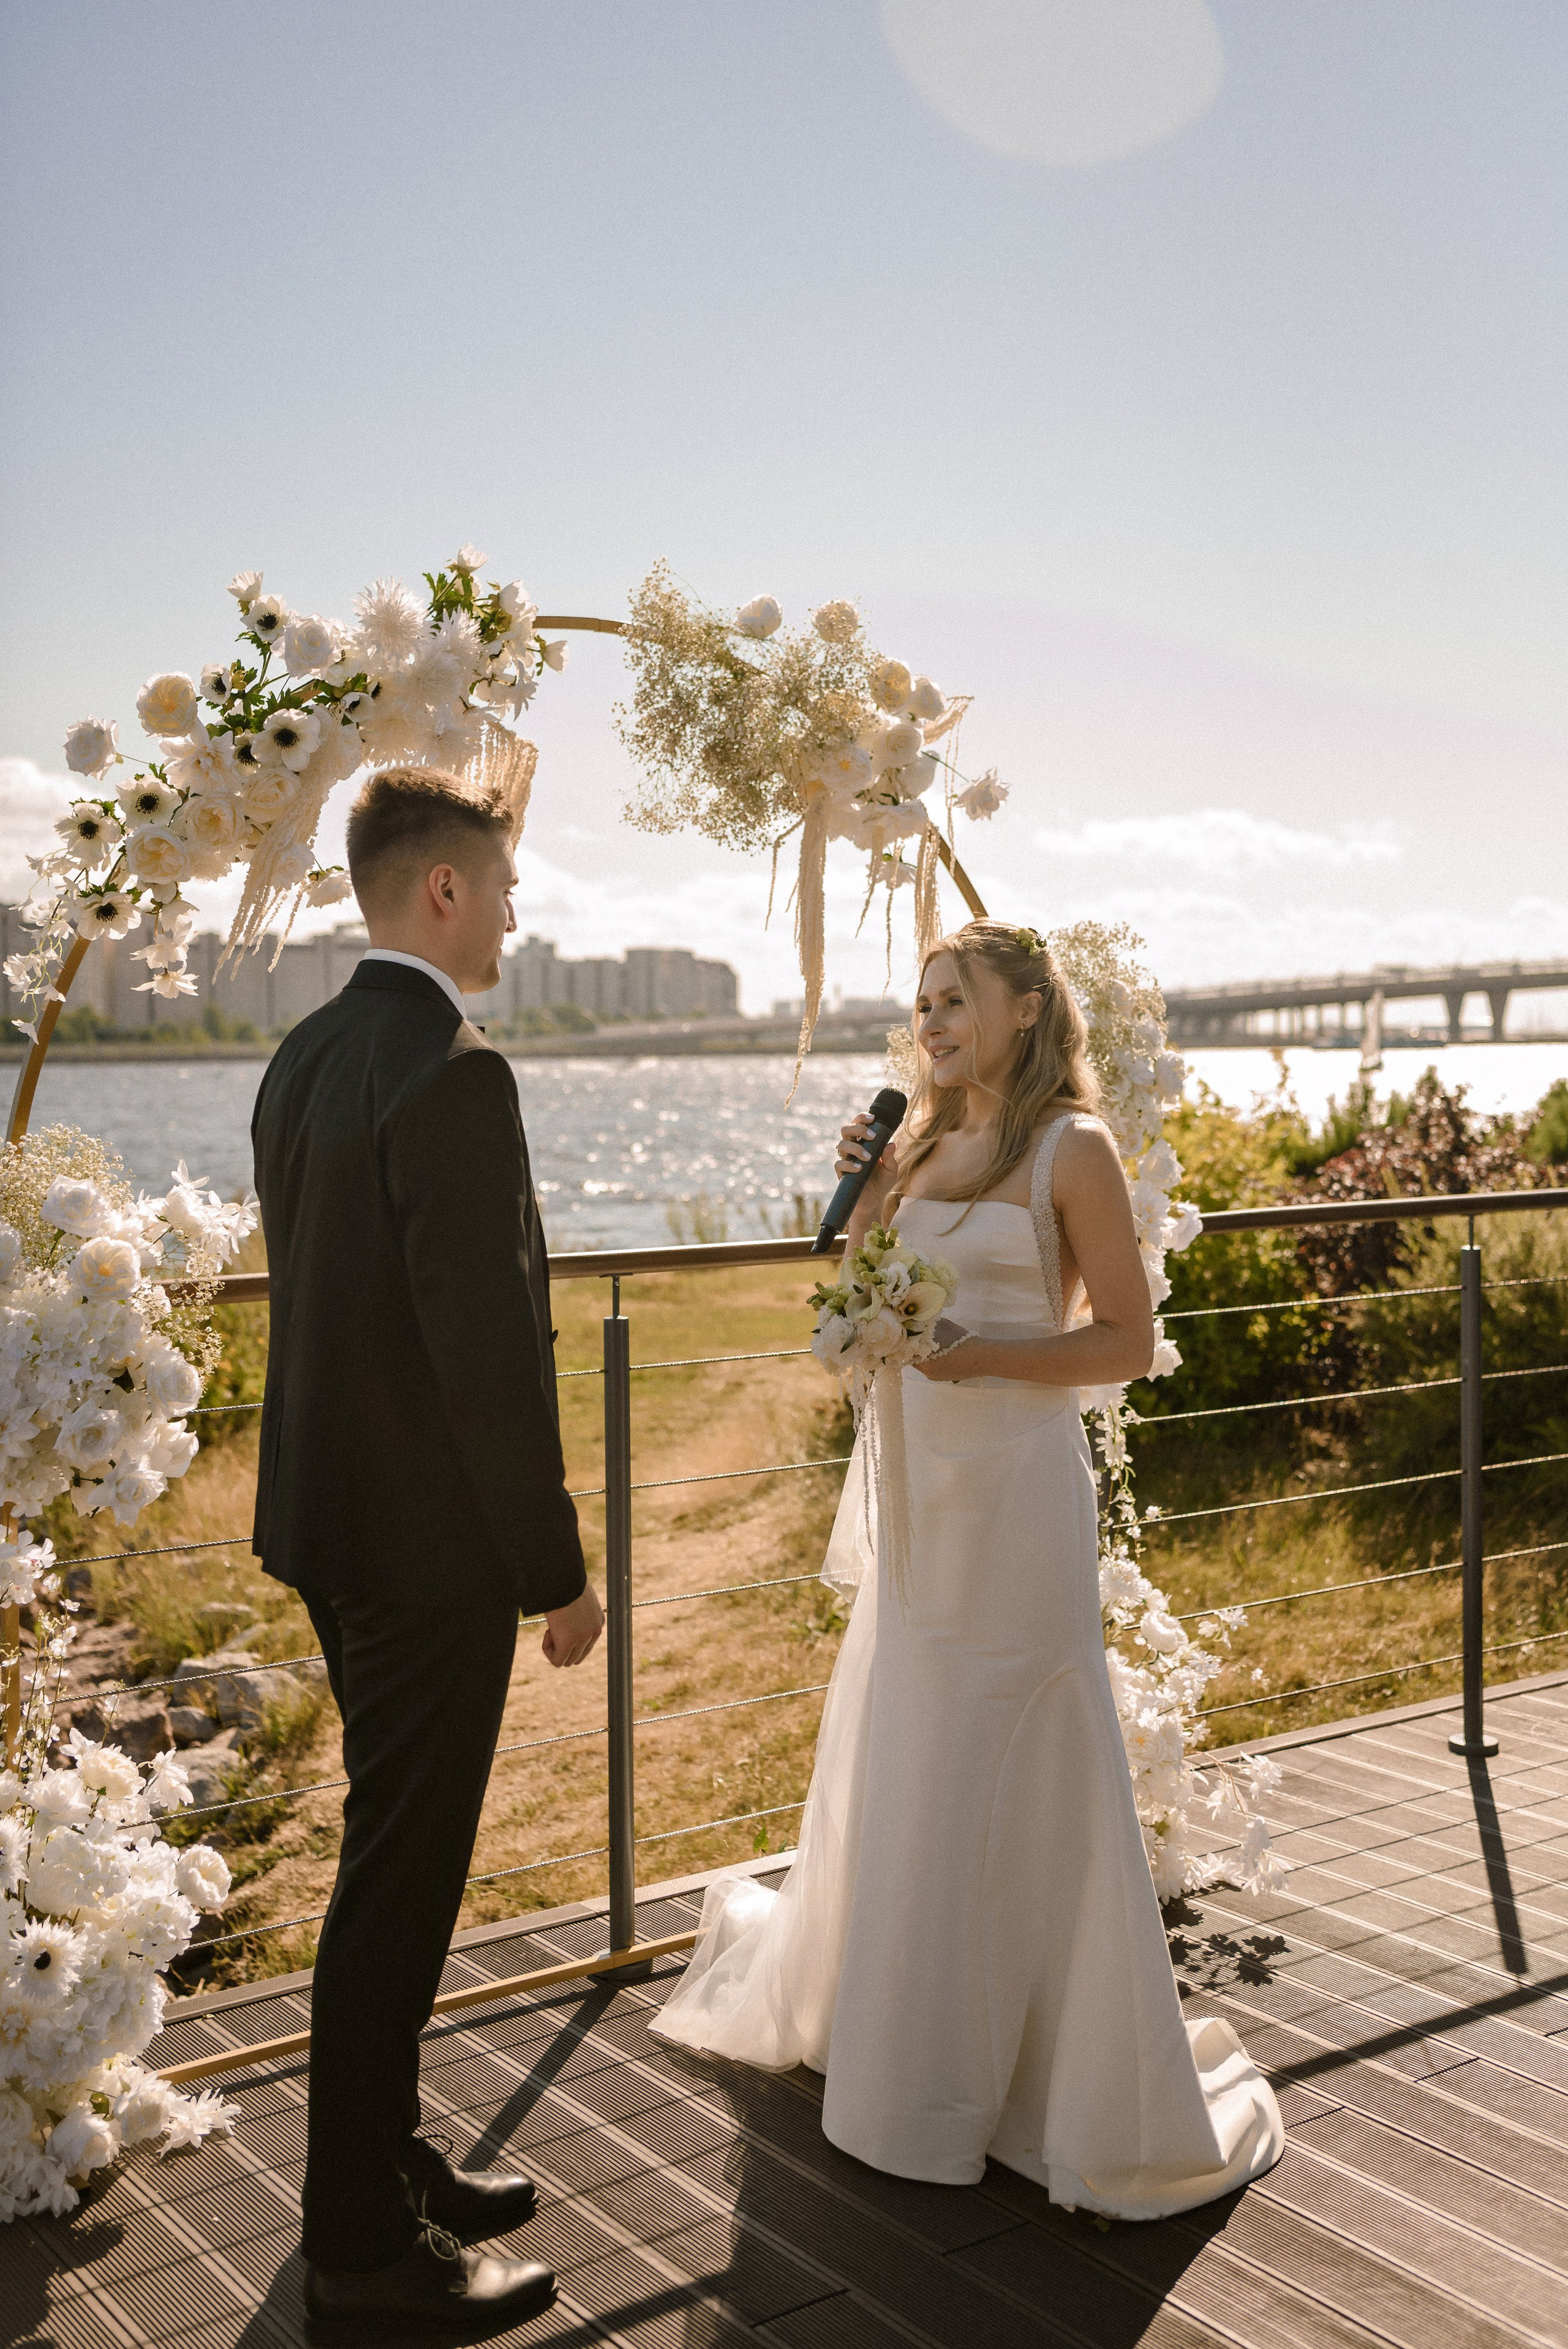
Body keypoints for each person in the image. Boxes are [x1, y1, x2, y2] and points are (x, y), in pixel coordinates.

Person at [654, 921, 1283, 2218]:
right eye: (921, 999)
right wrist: (862, 1192)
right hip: (921, 1500)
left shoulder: (1072, 1145)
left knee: (1010, 1744)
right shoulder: (920, 1145)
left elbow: (1121, 1339)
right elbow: (860, 1291)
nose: (930, 1019)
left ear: (1020, 1010)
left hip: (1013, 1501)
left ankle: (1038, 2068)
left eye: (955, 998)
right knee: (917, 1743)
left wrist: (982, 1354)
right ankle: (899, 2049)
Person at [251, 764, 605, 2334]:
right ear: (442, 890)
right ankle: (362, 2256)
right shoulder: (457, 1068)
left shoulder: (303, 1056)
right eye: (506, 885)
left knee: (390, 1860)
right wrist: (555, 1565)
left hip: (328, 1530)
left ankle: (385, 2158)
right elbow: (485, 1356)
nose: (518, 913)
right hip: (423, 1555)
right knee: (398, 1886)